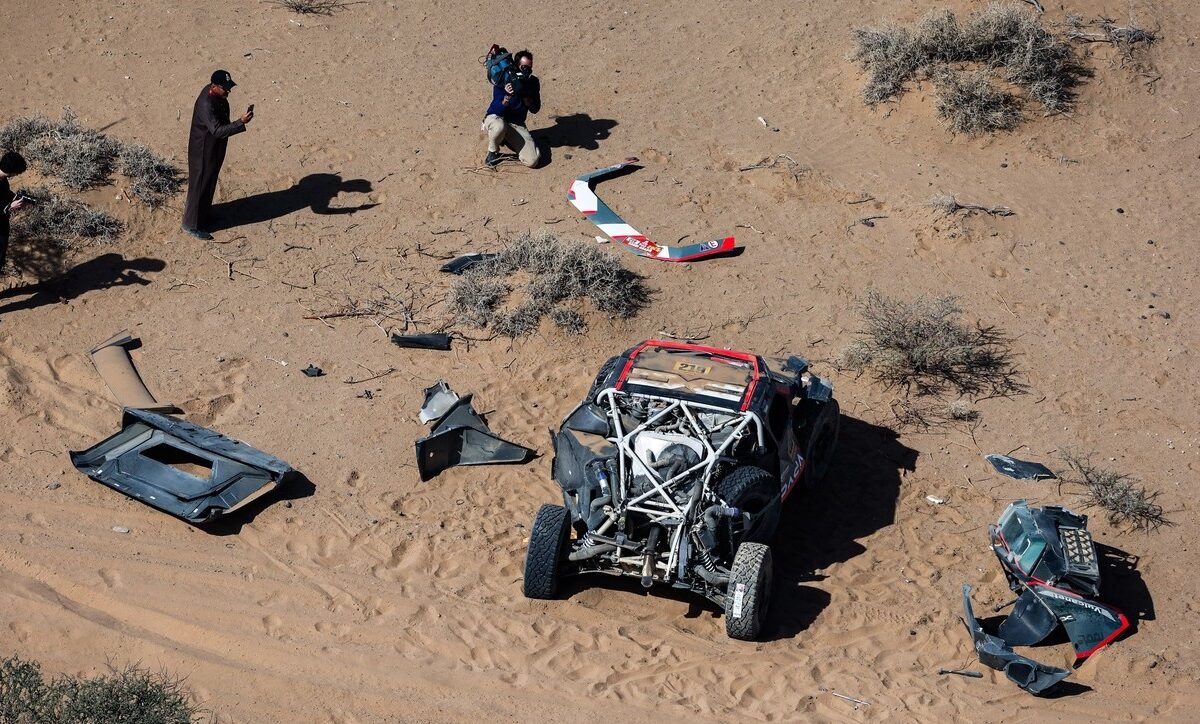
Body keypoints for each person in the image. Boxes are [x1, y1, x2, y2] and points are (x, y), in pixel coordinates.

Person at [182, 70, 253, 240]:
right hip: (202, 152)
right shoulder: (206, 103)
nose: (228, 91)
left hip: (213, 149)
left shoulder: (216, 96)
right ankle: (191, 224)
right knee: (199, 186)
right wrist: (240, 123)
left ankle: (204, 215)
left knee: (209, 181)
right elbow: (217, 130)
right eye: (225, 88)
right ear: (214, 86)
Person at [483, 50, 541, 168]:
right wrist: (507, 97)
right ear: (516, 65)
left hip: (516, 124)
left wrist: (528, 99)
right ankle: (492, 152)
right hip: (497, 119)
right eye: (524, 67)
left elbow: (535, 109)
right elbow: (495, 110)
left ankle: (505, 138)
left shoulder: (532, 82)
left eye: (530, 67)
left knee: (532, 160)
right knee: (499, 126)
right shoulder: (504, 79)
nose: (527, 70)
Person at [0, 151, 28, 275]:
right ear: (12, 171)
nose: (17, 175)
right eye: (17, 172)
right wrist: (8, 207)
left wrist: (15, 197)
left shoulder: (3, 178)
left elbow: (3, 193)